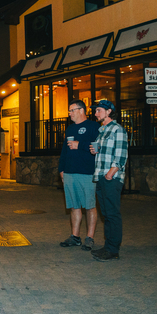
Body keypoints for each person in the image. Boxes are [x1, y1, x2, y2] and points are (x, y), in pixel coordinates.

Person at [57, 99, 100, 251]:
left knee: (89, 205)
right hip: (69, 172)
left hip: (87, 172)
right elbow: (64, 150)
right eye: (69, 111)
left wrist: (79, 145)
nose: (69, 114)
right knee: (74, 205)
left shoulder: (94, 127)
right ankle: (75, 236)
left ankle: (90, 237)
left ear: (81, 110)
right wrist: (61, 169)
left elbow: (97, 147)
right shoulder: (69, 129)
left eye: (72, 110)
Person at [89, 99, 128, 262]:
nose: (96, 113)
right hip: (101, 176)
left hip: (110, 177)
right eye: (95, 111)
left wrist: (110, 174)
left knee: (112, 214)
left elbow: (120, 155)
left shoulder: (117, 129)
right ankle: (108, 246)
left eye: (99, 110)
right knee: (106, 214)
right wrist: (94, 150)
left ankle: (113, 250)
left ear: (109, 112)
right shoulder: (102, 130)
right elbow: (103, 152)